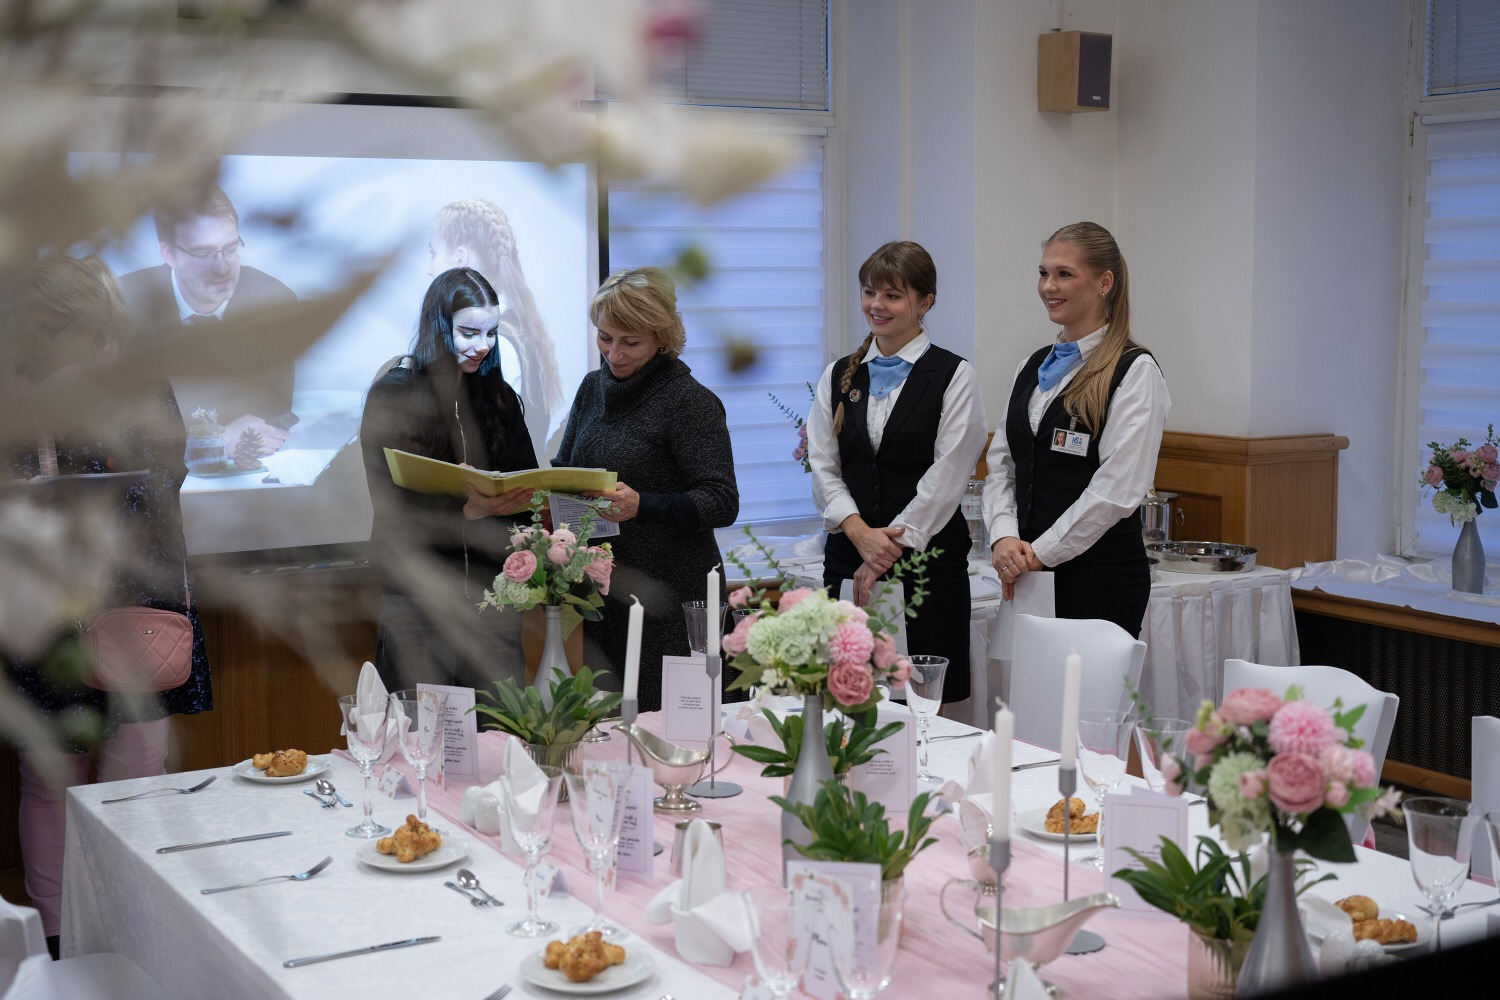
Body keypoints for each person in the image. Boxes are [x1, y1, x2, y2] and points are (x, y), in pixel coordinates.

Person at [1, 255, 212, 955]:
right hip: (45, 611)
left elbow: (171, 473)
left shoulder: (141, 382)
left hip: (137, 603)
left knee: (138, 766)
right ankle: (60, 940)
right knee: (51, 776)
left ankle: (127, 925)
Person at [807, 241, 988, 706]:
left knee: (925, 705)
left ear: (925, 302)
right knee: (849, 699)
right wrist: (858, 533)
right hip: (848, 560)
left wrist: (883, 549)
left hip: (927, 568)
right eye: (870, 292)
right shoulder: (838, 375)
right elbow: (823, 466)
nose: (876, 305)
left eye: (892, 295)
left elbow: (948, 475)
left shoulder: (953, 375)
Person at [553, 267, 739, 712]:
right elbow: (565, 470)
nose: (613, 354)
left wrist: (643, 505)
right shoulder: (591, 389)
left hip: (671, 602)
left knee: (672, 729)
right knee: (610, 728)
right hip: (605, 596)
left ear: (662, 338)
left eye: (630, 342)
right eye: (605, 338)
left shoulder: (690, 402)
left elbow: (722, 500)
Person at [982, 221, 1170, 636]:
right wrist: (1004, 537)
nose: (1049, 286)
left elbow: (1116, 491)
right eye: (1044, 273)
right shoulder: (1031, 365)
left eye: (1064, 274)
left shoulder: (1135, 371)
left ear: (1105, 282)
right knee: (1027, 681)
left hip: (1098, 579)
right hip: (1026, 575)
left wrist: (1039, 553)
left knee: (1085, 683)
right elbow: (1003, 465)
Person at [360, 268, 538, 693]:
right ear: (439, 328)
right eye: (469, 333)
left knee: (498, 720)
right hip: (418, 595)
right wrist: (465, 509)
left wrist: (519, 502)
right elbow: (389, 501)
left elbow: (528, 481)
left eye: (491, 333)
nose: (483, 346)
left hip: (492, 595)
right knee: (421, 720)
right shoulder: (395, 395)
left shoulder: (499, 398)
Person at [118, 183, 298, 465]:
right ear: (169, 255)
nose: (222, 268)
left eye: (230, 249)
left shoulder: (274, 303)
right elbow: (121, 431)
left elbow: (273, 413)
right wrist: (214, 441)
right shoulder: (125, 306)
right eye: (203, 254)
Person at [428, 199, 564, 460]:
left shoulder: (501, 346)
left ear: (460, 259)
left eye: (434, 254)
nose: (429, 269)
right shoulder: (517, 327)